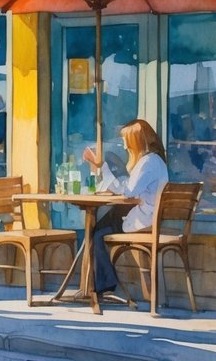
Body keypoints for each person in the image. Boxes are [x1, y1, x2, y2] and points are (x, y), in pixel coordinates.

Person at [82, 119, 169, 298]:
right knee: (99, 228)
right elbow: (133, 189)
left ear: (136, 141)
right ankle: (104, 284)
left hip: (144, 221)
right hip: (149, 217)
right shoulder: (155, 160)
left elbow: (129, 191)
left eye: (126, 142)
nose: (124, 146)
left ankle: (103, 285)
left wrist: (102, 169)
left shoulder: (147, 162)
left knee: (96, 232)